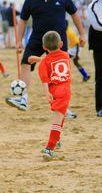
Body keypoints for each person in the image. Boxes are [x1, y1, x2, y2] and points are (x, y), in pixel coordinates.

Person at [5, 0, 86, 112]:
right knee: (25, 62)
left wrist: (82, 34)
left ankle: (62, 106)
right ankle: (23, 99)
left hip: (58, 39)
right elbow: (23, 19)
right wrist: (18, 41)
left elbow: (74, 14)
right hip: (38, 37)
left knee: (59, 72)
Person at [28, 31, 71, 160]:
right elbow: (54, 58)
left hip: (53, 91)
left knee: (60, 115)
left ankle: (53, 143)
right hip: (65, 92)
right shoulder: (66, 55)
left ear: (44, 47)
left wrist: (47, 93)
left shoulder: (44, 62)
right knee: (58, 118)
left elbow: (45, 79)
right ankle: (49, 148)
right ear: (61, 44)